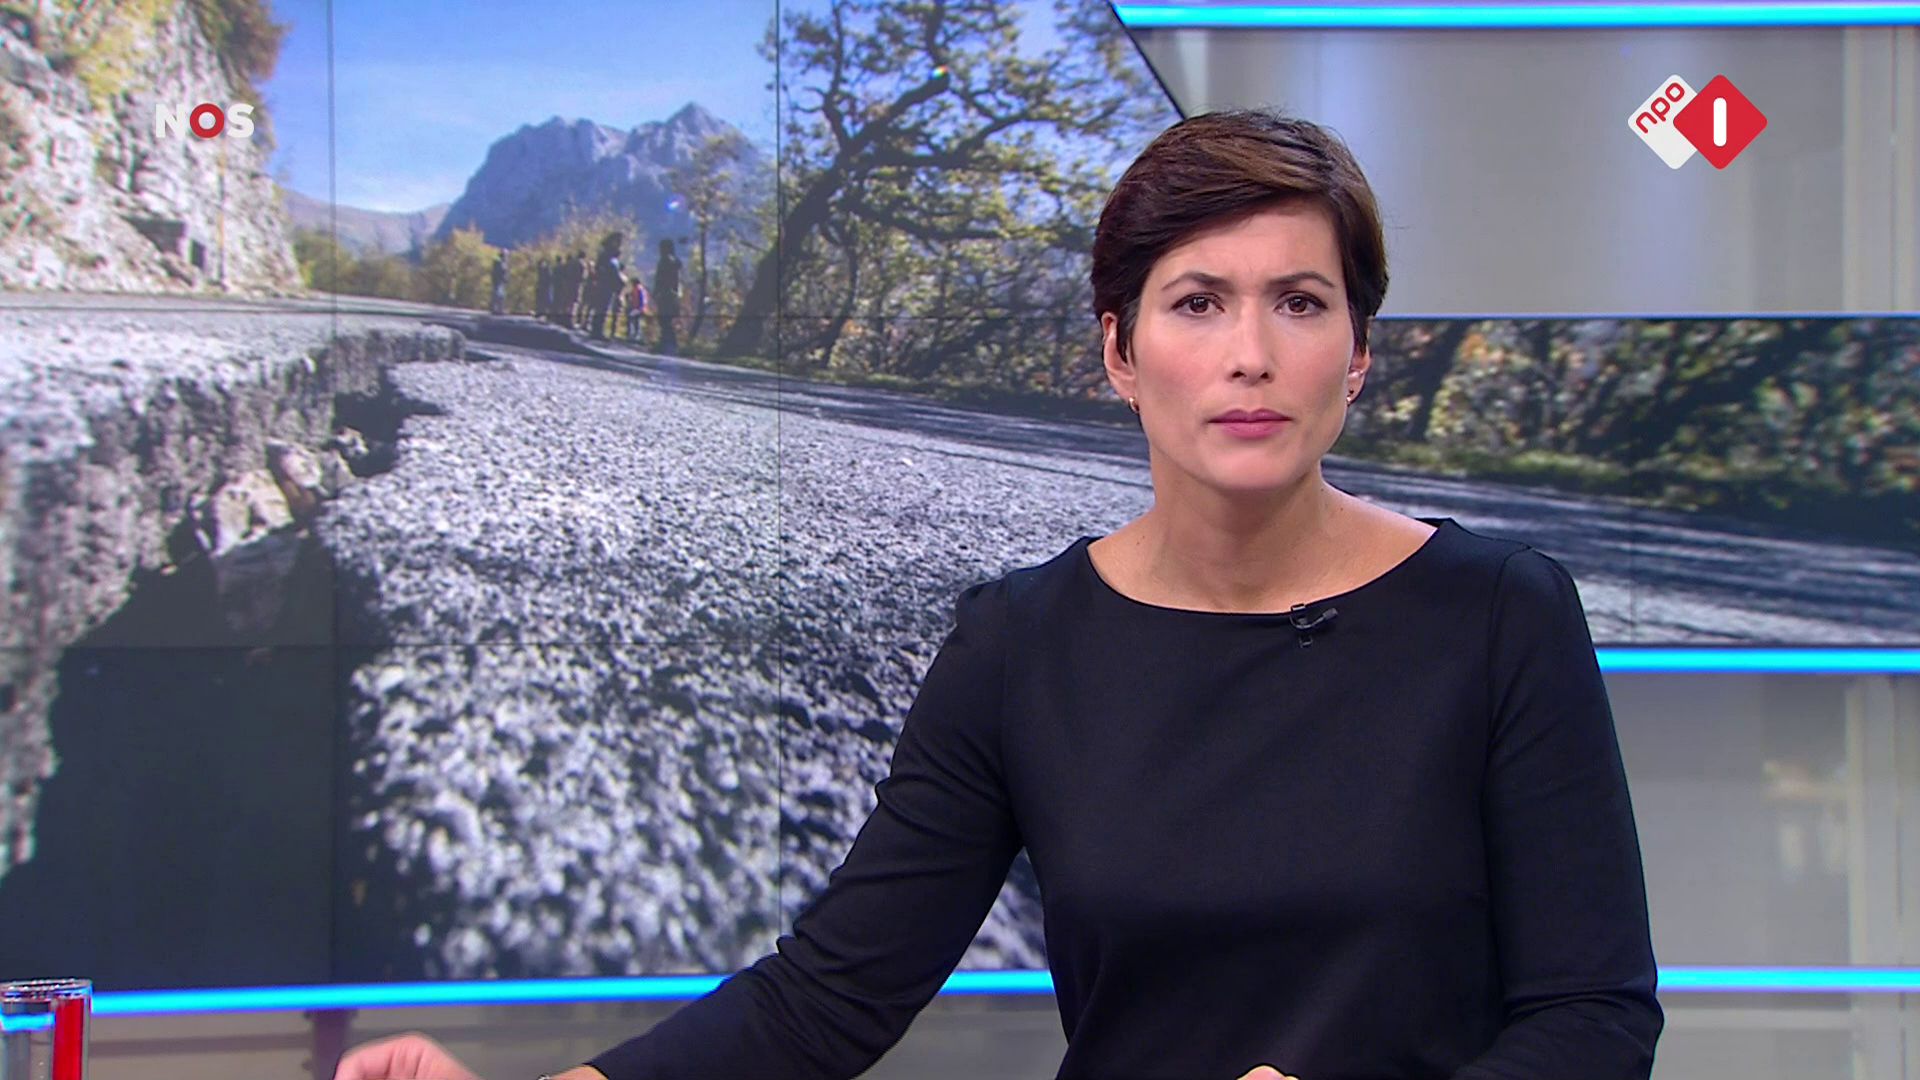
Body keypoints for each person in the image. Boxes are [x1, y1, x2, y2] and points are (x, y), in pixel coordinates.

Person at [333, 109, 1662, 1080]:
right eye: (1199, 303)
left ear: (1358, 354)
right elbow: (826, 998)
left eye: (1301, 304)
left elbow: (1594, 1017)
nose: (1252, 354)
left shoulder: (1500, 614)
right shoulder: (1022, 643)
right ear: (1120, 351)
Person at [652, 238, 681, 355]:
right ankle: (669, 344)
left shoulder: (665, 261)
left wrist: (656, 291)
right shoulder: (675, 262)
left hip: (665, 294)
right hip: (673, 294)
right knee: (667, 320)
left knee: (664, 319)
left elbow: (660, 279)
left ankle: (667, 345)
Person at [625, 275, 650, 344]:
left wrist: (640, 308)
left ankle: (635, 336)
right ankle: (636, 336)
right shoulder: (638, 289)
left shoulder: (639, 289)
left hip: (639, 308)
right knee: (636, 321)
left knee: (633, 320)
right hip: (637, 308)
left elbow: (642, 299)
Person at [488, 251, 508, 315]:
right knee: (499, 296)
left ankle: (497, 309)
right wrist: (504, 279)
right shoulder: (500, 263)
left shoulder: (499, 262)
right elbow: (501, 272)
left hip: (499, 282)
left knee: (498, 296)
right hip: (499, 282)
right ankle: (498, 309)